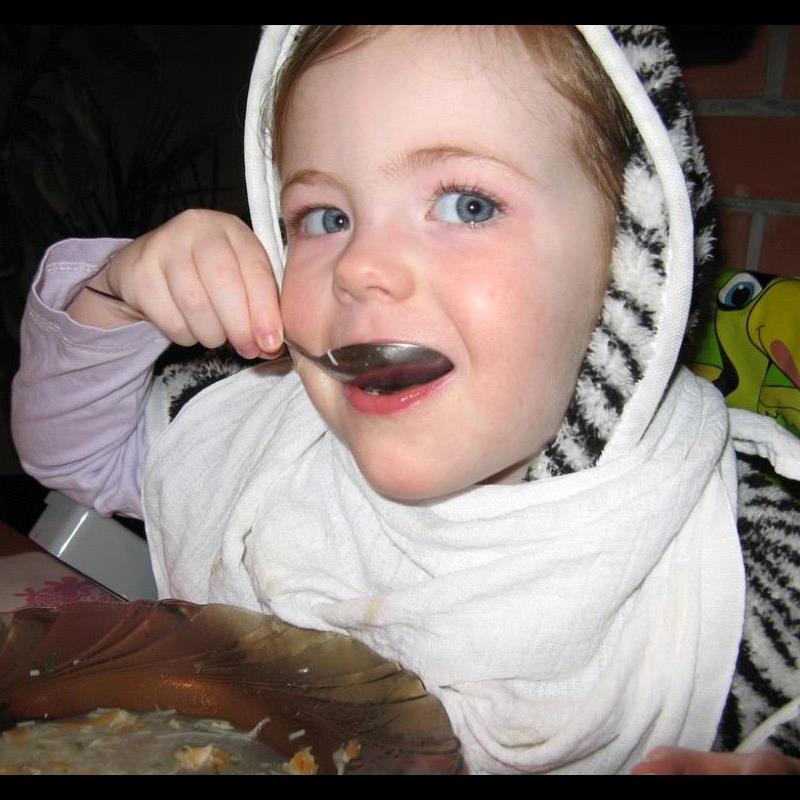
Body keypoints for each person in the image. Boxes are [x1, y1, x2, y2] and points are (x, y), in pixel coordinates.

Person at [11, 25, 800, 774]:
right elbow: (74, 455)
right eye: (326, 217)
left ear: (631, 259)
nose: (360, 266)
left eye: (467, 204)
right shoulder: (261, 431)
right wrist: (112, 299)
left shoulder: (742, 573)